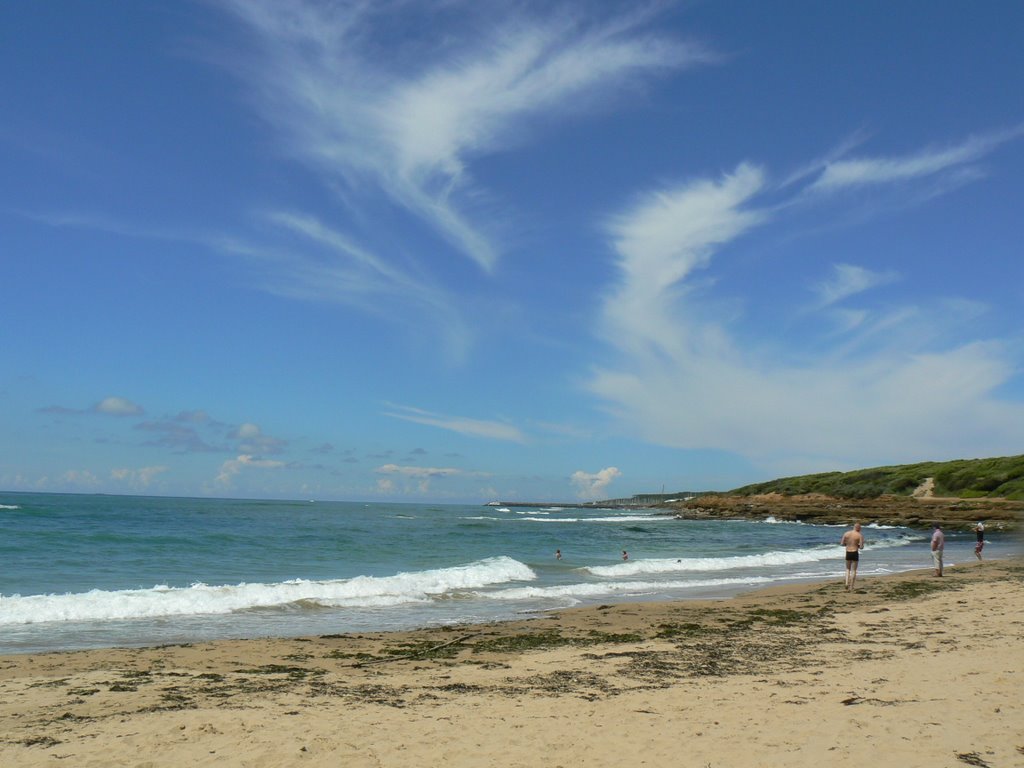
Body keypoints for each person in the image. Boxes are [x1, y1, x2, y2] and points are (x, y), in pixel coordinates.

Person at [840, 522, 865, 591]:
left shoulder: (846, 533)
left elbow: (842, 543)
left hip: (848, 552)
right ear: (858, 528)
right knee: (854, 570)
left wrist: (847, 544)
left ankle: (846, 583)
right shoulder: (859, 535)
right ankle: (851, 586)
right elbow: (861, 547)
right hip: (854, 552)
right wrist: (858, 545)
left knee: (847, 569)